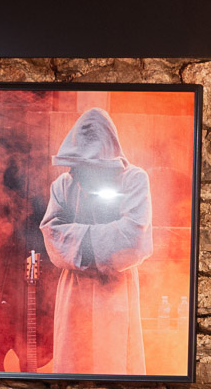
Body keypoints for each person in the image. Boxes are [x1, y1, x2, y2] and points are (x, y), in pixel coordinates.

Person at [39, 107, 153, 375]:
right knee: (72, 360)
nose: (82, 174)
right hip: (73, 287)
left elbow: (133, 236)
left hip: (114, 287)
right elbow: (52, 232)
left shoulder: (134, 179)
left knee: (113, 359)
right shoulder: (63, 184)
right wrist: (101, 239)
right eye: (80, 167)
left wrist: (78, 241)